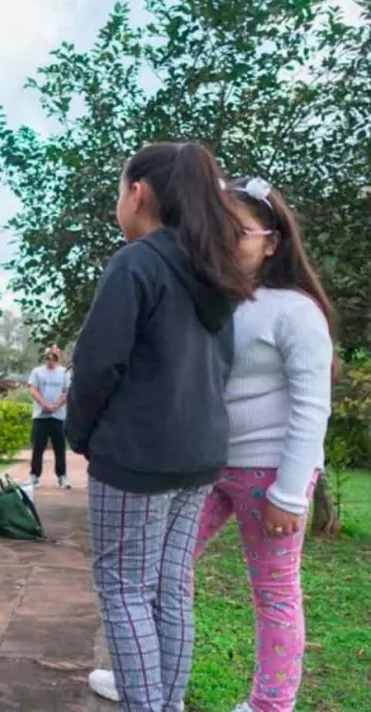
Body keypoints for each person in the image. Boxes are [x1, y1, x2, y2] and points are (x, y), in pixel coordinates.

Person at [91, 177, 336, 712]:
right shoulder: (207, 296)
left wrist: (291, 493)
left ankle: (270, 704)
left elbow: (313, 406)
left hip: (268, 473)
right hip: (201, 467)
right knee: (158, 574)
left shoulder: (293, 311)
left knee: (273, 591)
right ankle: (148, 684)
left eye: (240, 231)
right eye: (216, 226)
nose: (224, 239)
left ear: (272, 241)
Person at [68, 142, 253, 712]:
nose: (119, 203)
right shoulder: (214, 272)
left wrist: (80, 435)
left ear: (139, 192)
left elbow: (98, 364)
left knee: (124, 590)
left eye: (121, 191)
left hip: (138, 457)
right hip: (198, 455)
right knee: (170, 586)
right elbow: (224, 365)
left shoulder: (137, 263)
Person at [28, 346, 71, 489]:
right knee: (38, 447)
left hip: (58, 416)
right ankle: (34, 475)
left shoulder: (64, 372)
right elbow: (33, 389)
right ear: (45, 357)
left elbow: (67, 391)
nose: (50, 360)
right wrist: (44, 404)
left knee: (60, 447)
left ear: (58, 357)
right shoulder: (37, 372)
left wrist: (57, 405)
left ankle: (62, 476)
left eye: (54, 357)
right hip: (40, 416)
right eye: (48, 357)